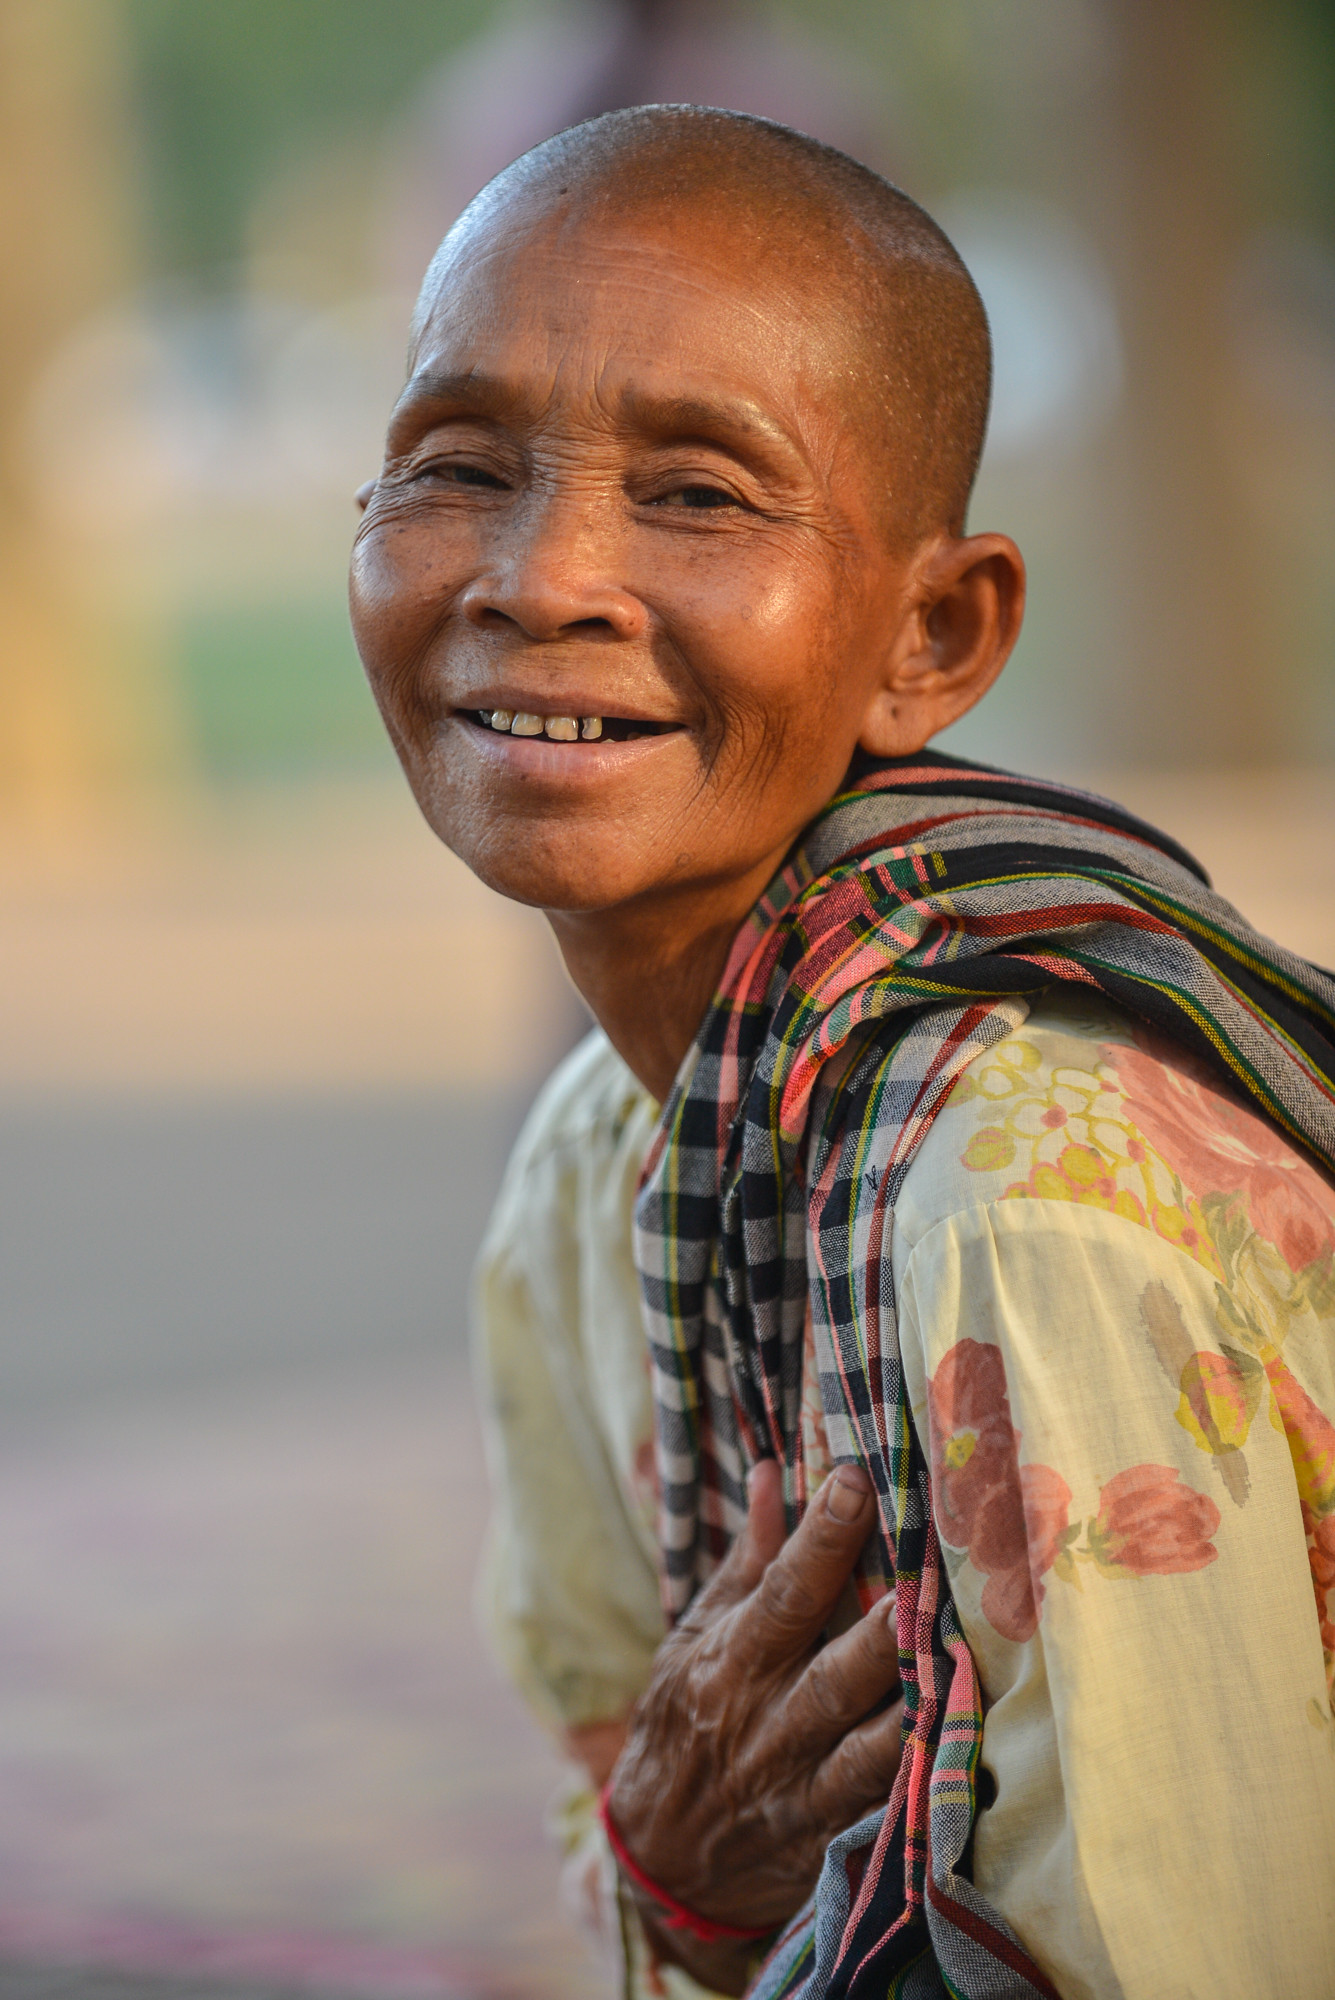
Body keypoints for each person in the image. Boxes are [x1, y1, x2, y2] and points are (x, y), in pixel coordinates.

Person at [349, 106, 1335, 2000]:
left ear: (934, 635)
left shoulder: (1029, 1216)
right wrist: (680, 1874)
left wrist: (685, 1898)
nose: (541, 578)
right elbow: (621, 1840)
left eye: (703, 494)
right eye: (457, 465)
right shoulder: (594, 1159)